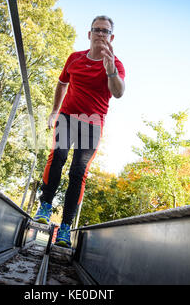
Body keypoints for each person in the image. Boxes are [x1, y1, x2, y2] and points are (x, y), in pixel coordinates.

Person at [33, 15, 126, 248]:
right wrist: (54, 110)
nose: (100, 34)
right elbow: (62, 83)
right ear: (89, 34)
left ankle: (64, 228)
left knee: (78, 172)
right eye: (96, 30)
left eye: (105, 31)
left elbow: (118, 93)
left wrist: (111, 70)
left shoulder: (117, 65)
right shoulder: (74, 58)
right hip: (66, 117)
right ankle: (45, 205)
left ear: (111, 37)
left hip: (93, 123)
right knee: (58, 156)